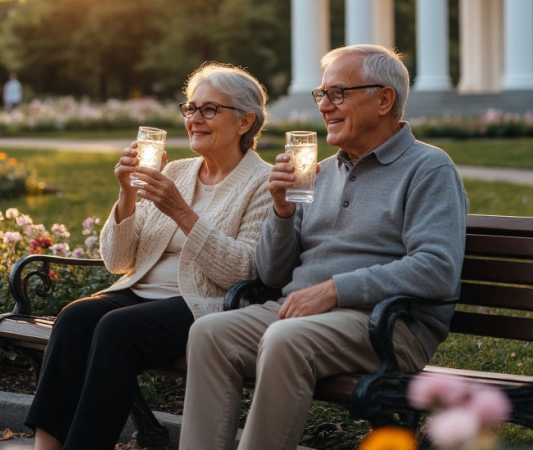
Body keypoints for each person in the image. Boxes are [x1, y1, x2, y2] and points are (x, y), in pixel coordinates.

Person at [178, 44, 469, 450]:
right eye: (322, 95)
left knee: (286, 339)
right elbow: (273, 276)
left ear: (384, 99)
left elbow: (436, 268)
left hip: (387, 325)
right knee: (210, 333)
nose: (325, 106)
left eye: (338, 94)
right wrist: (281, 211)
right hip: (301, 312)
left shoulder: (428, 168)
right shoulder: (320, 173)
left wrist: (334, 289)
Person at [23, 62, 273, 449]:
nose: (194, 119)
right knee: (75, 317)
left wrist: (182, 213)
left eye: (209, 109)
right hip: (140, 293)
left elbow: (242, 269)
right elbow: (119, 261)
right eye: (190, 109)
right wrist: (126, 194)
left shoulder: (261, 182)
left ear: (245, 122)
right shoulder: (178, 170)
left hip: (202, 302)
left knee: (116, 328)